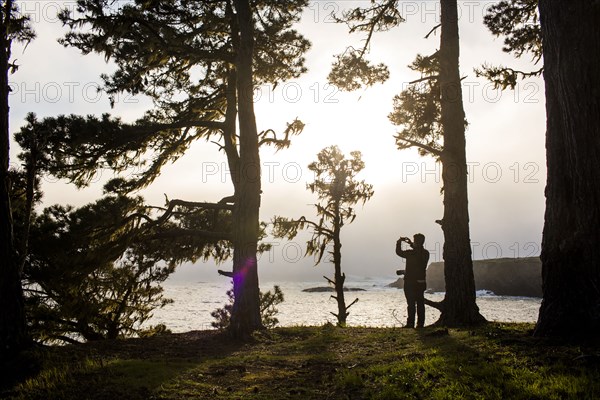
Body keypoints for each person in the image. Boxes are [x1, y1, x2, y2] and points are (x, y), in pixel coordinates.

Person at [396, 233, 429, 328]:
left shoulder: (410, 253)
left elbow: (399, 252)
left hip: (410, 282)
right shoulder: (426, 253)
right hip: (421, 282)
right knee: (420, 304)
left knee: (411, 304)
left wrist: (399, 242)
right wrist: (411, 243)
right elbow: (418, 251)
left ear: (416, 242)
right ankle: (420, 324)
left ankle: (410, 324)